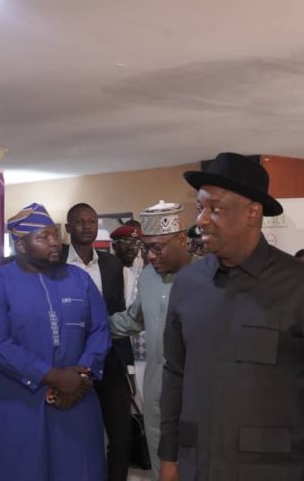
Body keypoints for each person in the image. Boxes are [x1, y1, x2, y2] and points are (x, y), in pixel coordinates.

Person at [159, 152, 304, 481]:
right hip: (200, 463)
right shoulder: (187, 284)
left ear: (252, 212)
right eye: (200, 208)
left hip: (276, 468)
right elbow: (175, 372)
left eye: (215, 209)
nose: (202, 220)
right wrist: (168, 454)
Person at [0, 203, 111, 481]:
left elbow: (100, 330)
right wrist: (51, 376)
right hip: (21, 408)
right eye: (43, 237)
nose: (54, 242)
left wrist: (82, 375)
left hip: (75, 403)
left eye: (54, 234)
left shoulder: (79, 279)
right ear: (21, 245)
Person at [109, 201, 196, 480]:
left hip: (198, 392)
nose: (149, 256)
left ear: (181, 239)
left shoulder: (209, 275)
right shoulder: (148, 275)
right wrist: (91, 329)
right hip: (157, 389)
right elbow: (133, 319)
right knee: (162, 463)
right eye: (146, 248)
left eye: (157, 248)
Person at [61, 203, 134, 481]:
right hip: (71, 361)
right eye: (80, 222)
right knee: (76, 434)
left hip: (109, 358)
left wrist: (128, 366)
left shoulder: (112, 265)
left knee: (121, 434)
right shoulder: (56, 263)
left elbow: (120, 313)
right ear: (68, 228)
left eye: (91, 221)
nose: (87, 226)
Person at [110, 222, 144, 307]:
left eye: (136, 243)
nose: (131, 248)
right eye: (126, 242)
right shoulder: (106, 272)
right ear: (114, 245)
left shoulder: (141, 274)